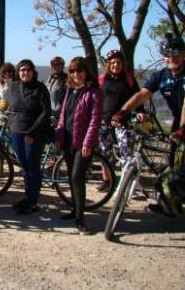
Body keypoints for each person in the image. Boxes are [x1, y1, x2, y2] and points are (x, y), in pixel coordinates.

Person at [112, 33, 185, 167]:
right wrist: (122, 112)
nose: (171, 58)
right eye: (167, 55)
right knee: (174, 168)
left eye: (175, 53)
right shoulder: (161, 76)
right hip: (178, 124)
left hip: (183, 125)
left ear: (183, 54)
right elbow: (142, 94)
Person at [55, 57, 103, 235]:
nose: (76, 75)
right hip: (67, 140)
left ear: (86, 71)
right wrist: (59, 136)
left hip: (83, 143)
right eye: (73, 71)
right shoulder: (70, 90)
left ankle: (80, 219)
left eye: (80, 71)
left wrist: (88, 142)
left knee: (77, 177)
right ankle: (75, 210)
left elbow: (95, 121)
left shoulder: (94, 92)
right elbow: (63, 115)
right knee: (71, 177)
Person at [8, 59, 51, 214]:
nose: (24, 72)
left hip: (33, 132)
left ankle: (33, 202)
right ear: (18, 72)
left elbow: (46, 111)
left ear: (33, 72)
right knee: (24, 167)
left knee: (33, 167)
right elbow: (12, 108)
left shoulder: (40, 88)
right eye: (21, 70)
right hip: (16, 132)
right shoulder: (13, 86)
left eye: (27, 70)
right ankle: (27, 196)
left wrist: (32, 132)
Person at [98, 50, 143, 192]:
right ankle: (107, 180)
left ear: (122, 64)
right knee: (104, 154)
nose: (115, 65)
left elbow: (138, 97)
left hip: (124, 123)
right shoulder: (102, 79)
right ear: (108, 64)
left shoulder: (129, 80)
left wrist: (141, 112)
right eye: (112, 62)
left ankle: (125, 185)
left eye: (118, 62)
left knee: (126, 155)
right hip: (104, 122)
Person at [44, 56, 67, 126]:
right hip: (47, 115)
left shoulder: (67, 80)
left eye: (59, 64)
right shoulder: (47, 80)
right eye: (54, 64)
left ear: (62, 66)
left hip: (60, 117)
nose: (57, 66)